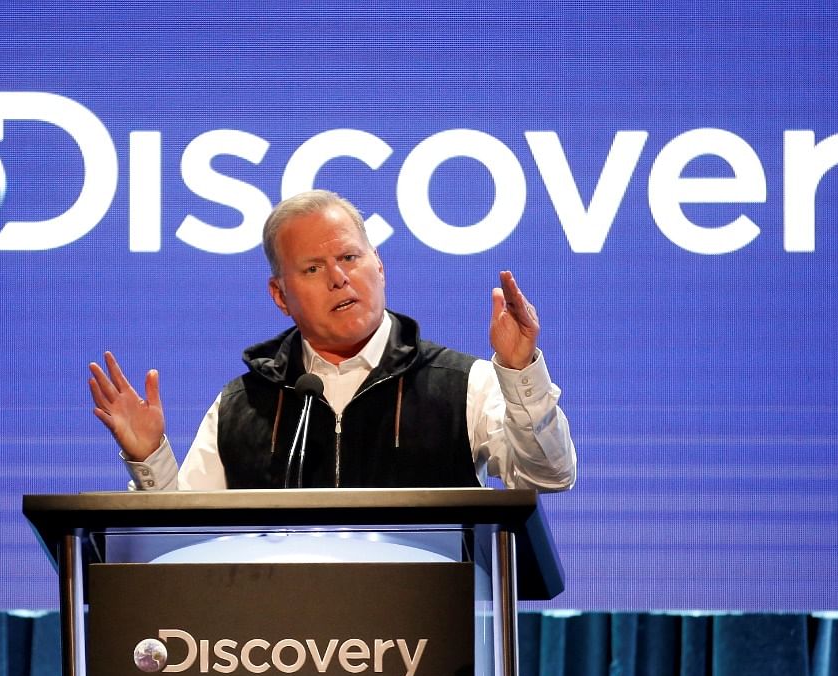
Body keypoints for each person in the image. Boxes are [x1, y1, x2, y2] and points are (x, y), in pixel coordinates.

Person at [88, 190, 575, 492]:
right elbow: (184, 543)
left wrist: (520, 372)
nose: (340, 279)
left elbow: (548, 477)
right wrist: (149, 459)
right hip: (275, 648)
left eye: (350, 257)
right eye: (314, 269)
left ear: (379, 266)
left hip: (426, 643)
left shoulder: (463, 383)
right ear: (280, 295)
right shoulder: (243, 405)